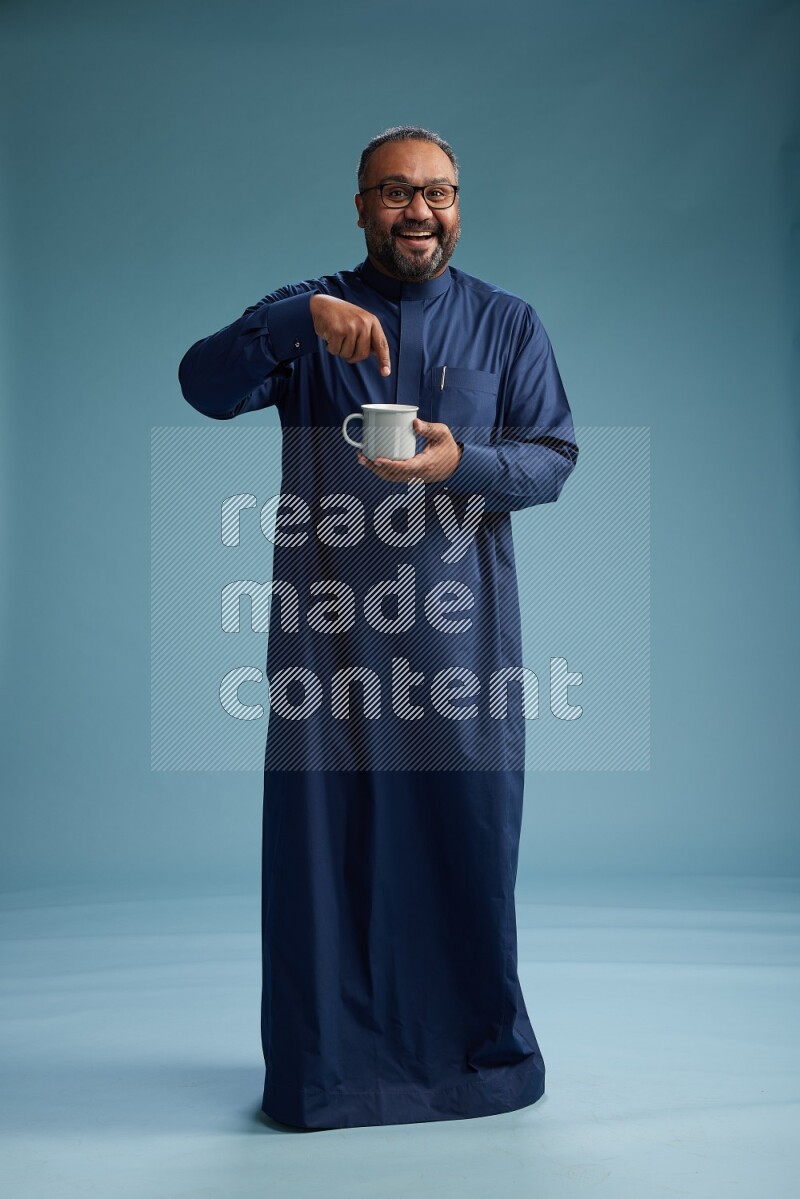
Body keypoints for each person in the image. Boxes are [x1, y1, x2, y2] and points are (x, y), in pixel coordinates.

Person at [178, 125, 579, 1130]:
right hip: (329, 642)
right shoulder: (311, 315)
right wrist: (289, 320)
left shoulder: (505, 323)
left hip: (460, 646)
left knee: (465, 846)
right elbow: (202, 383)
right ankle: (328, 1074)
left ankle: (476, 1066)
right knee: (328, 855)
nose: (418, 211)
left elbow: (550, 456)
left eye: (436, 192)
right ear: (358, 207)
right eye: (394, 193)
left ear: (457, 204)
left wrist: (464, 466)